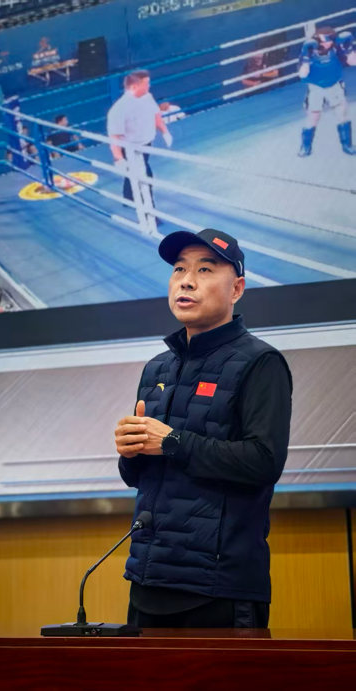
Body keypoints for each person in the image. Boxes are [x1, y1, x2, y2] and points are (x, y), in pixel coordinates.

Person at [115, 228, 292, 628]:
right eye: (179, 269)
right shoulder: (157, 368)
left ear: (237, 289)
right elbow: (141, 476)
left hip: (220, 586)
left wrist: (172, 442)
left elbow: (264, 462)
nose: (187, 281)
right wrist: (130, 451)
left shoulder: (261, 362)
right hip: (147, 578)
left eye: (205, 269)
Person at [107, 70, 173, 218]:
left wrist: (165, 131)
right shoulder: (119, 109)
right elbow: (114, 136)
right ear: (134, 86)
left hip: (146, 143)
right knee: (145, 177)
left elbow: (156, 115)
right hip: (131, 148)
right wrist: (118, 158)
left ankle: (128, 197)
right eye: (146, 83)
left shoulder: (147, 97)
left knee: (134, 172)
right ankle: (150, 214)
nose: (149, 86)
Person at [298, 27, 356, 156]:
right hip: (316, 88)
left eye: (330, 41)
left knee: (342, 114)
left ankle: (347, 145)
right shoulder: (309, 51)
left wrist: (349, 48)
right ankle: (305, 147)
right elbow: (302, 74)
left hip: (335, 85)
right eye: (325, 42)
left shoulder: (336, 49)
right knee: (313, 117)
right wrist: (306, 58)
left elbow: (353, 62)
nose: (328, 44)